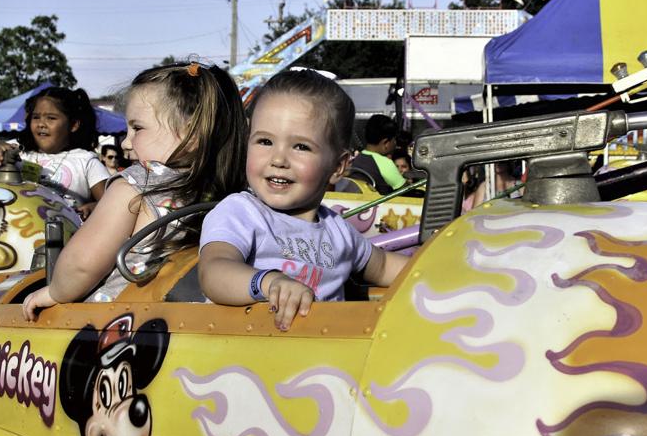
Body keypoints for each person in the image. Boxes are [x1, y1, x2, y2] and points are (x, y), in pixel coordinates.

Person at [21, 62, 247, 318]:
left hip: (117, 325)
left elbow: (81, 265)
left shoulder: (139, 184)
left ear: (193, 132)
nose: (126, 143)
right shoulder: (233, 195)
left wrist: (54, 292)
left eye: (137, 128)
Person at [198, 69, 411, 331]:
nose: (278, 159)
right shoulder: (240, 212)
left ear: (337, 166)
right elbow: (214, 270)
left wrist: (443, 266)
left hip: (323, 362)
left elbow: (385, 265)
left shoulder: (338, 230)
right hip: (246, 358)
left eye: (300, 147)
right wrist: (269, 283)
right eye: (265, 141)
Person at [0, 87, 110, 217]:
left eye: (51, 118)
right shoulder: (16, 149)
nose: (41, 124)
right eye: (36, 117)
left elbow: (112, 202)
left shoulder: (85, 161)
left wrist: (93, 207)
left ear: (73, 125)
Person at [349, 114, 405, 195]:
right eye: (394, 139)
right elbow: (407, 191)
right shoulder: (385, 163)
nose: (395, 143)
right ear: (386, 143)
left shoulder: (358, 159)